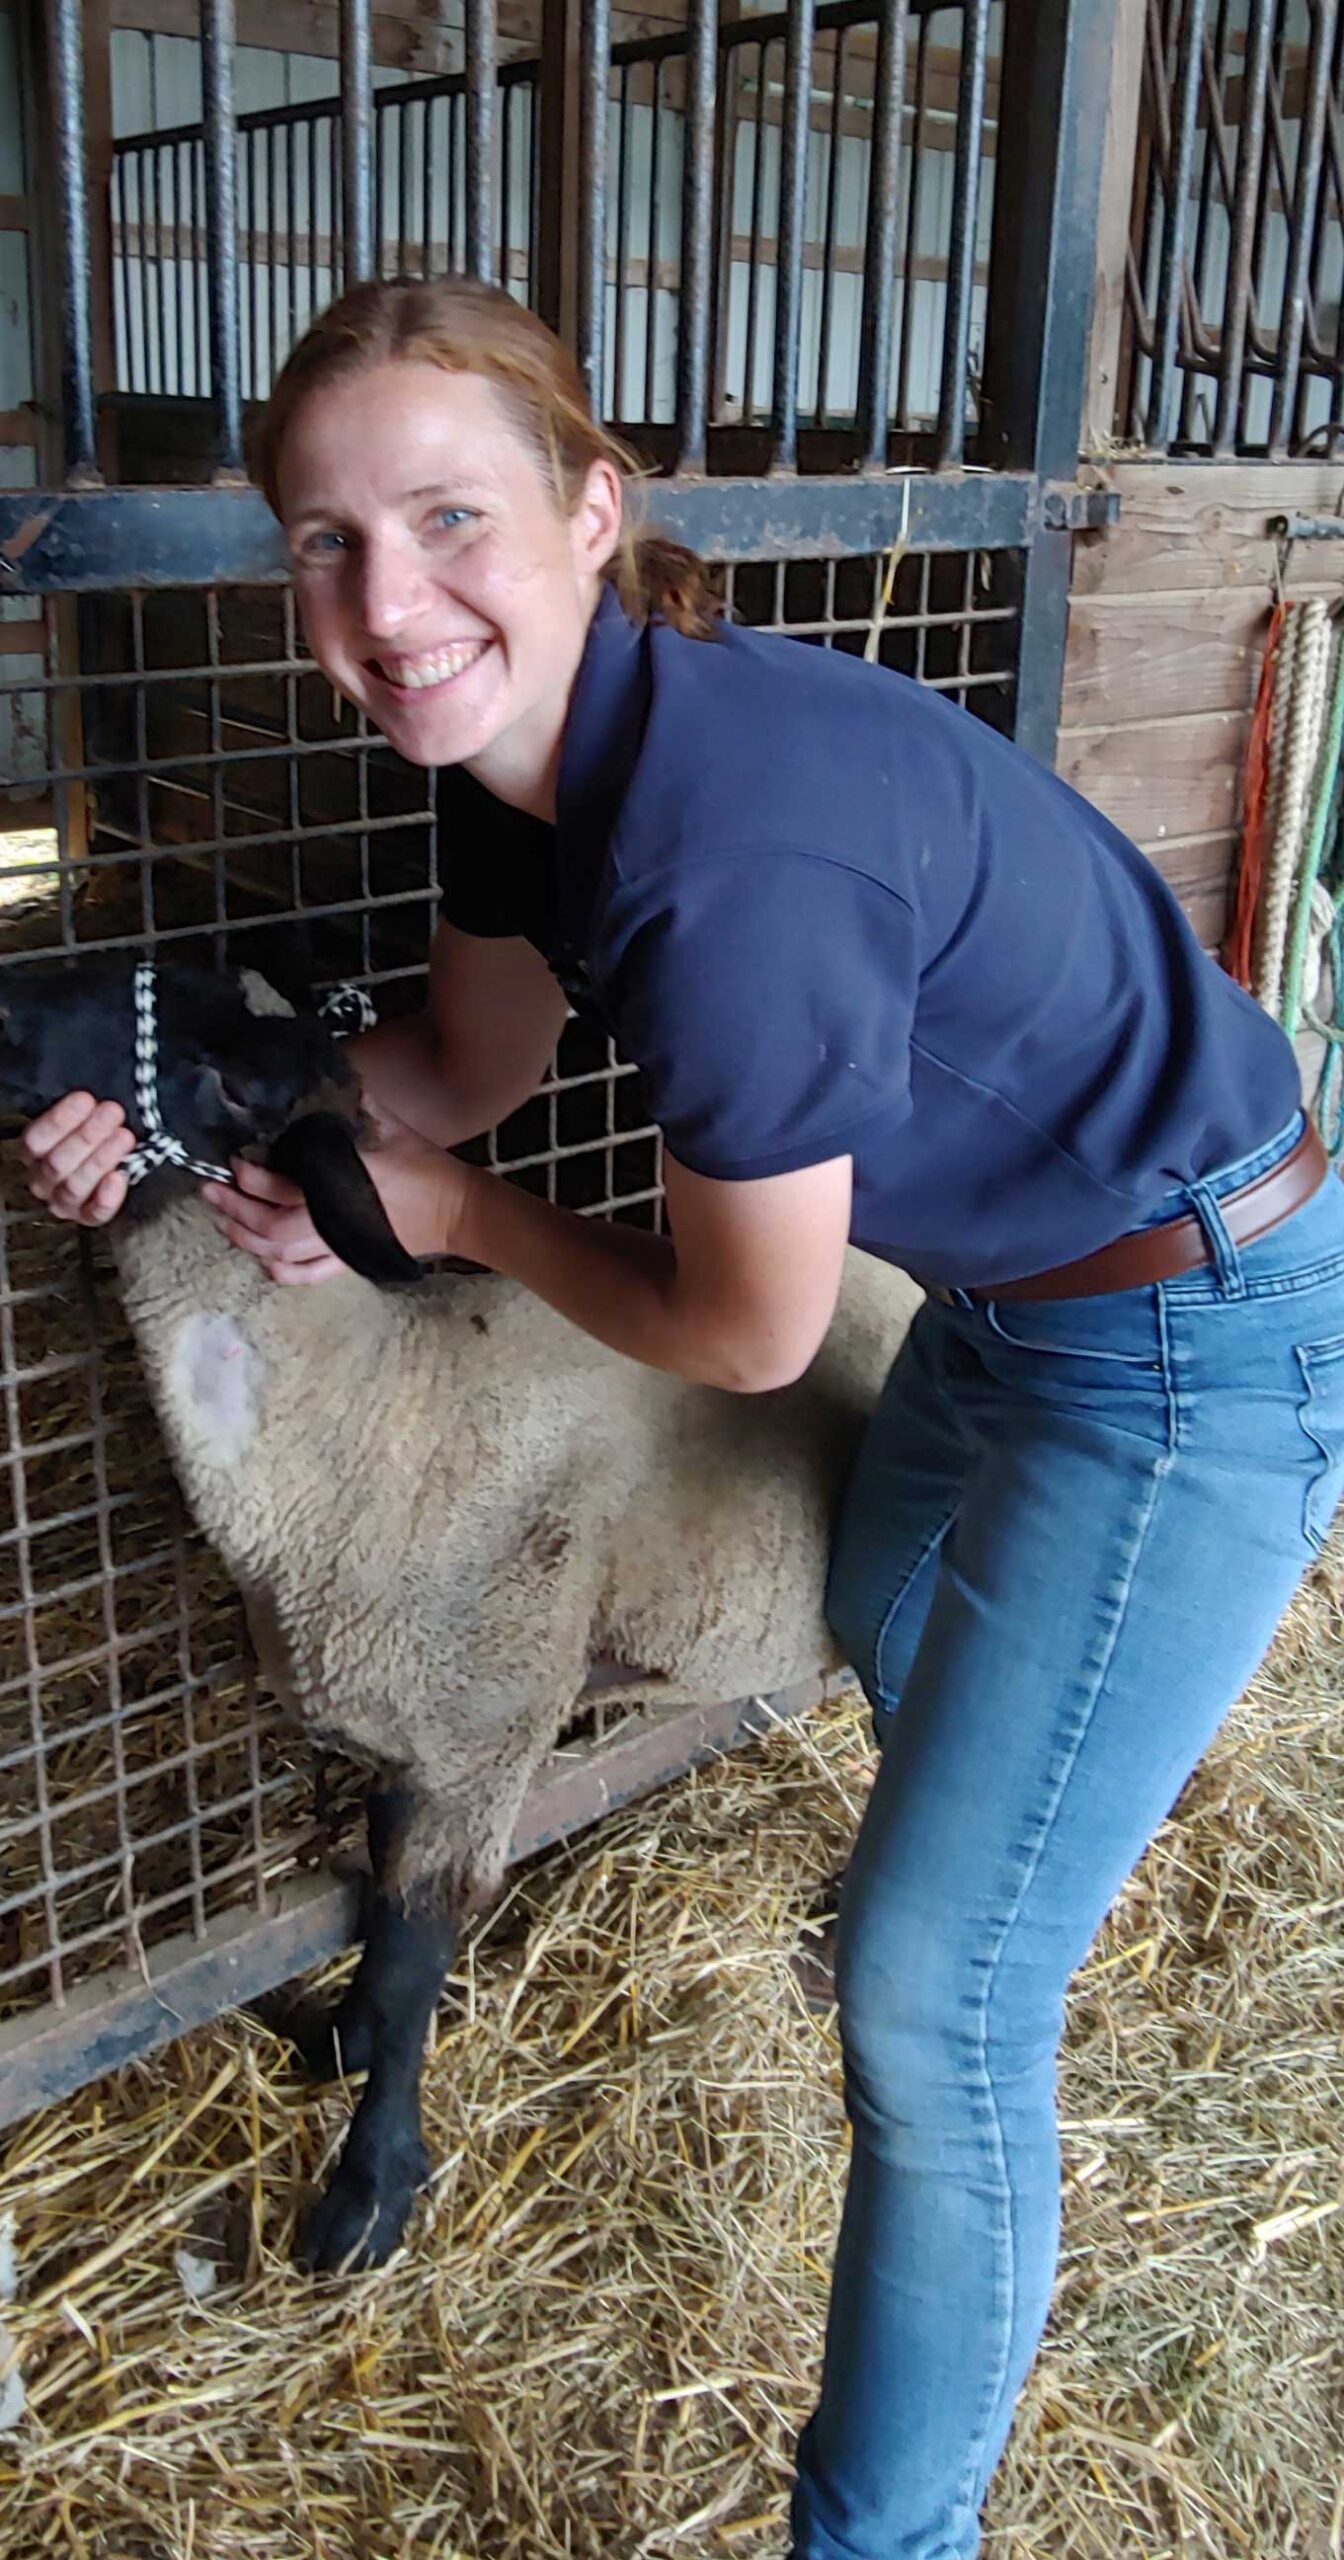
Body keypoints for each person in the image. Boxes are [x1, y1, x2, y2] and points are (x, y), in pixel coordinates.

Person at [22, 278, 1344, 2560]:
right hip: (1010, 1306)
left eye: (448, 517)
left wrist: (451, 1218)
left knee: (935, 2004)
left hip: (1193, 1337)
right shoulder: (522, 766)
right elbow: (456, 1074)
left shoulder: (727, 855)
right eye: (328, 542)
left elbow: (740, 1332)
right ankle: (998, 1818)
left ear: (590, 508)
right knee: (882, 1601)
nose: (388, 602)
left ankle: (881, 2537)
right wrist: (170, 1114)